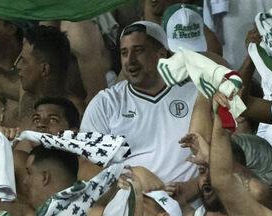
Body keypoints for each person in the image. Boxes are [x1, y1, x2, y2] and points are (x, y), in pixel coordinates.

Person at [80, 23, 198, 188]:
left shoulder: (194, 93)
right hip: (132, 203)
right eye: (124, 53)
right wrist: (124, 176)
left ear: (161, 54)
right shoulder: (105, 103)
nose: (130, 60)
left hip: (190, 203)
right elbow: (86, 170)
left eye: (139, 50)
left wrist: (191, 189)